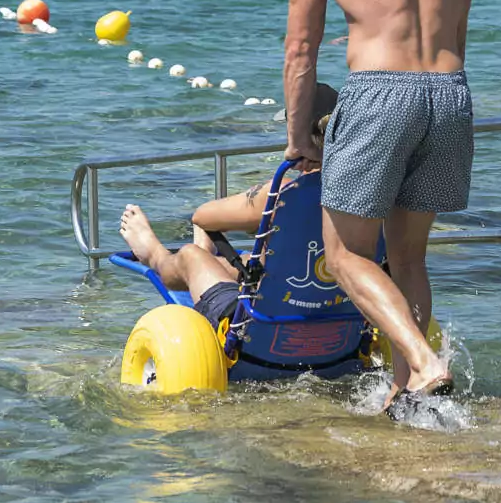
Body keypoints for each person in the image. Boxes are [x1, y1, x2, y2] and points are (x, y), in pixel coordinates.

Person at [284, 0, 474, 419]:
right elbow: (458, 30)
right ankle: (406, 394)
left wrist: (299, 139)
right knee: (409, 256)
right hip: (450, 93)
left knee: (344, 256)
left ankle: (423, 362)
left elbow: (301, 51)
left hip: (377, 93)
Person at [117, 83, 340, 332]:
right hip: (340, 328)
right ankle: (205, 263)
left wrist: (254, 216)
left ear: (295, 136)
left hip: (259, 331)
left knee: (190, 255)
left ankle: (155, 255)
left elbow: (202, 217)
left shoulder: (281, 194)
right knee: (253, 261)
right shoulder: (370, 191)